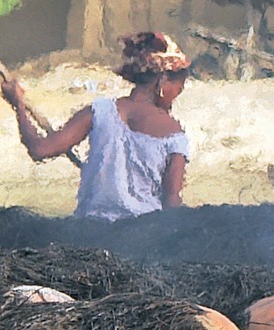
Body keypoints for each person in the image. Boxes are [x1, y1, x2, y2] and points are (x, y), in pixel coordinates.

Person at [1, 31, 192, 221]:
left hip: (90, 228)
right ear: (163, 80)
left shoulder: (99, 111)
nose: (176, 96)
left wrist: (18, 105)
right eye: (178, 88)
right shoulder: (175, 135)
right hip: (141, 232)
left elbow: (39, 149)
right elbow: (171, 205)